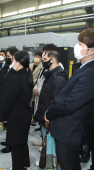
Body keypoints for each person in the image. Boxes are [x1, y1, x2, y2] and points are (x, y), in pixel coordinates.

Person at [44, 28, 94, 170]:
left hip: (70, 131)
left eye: (80, 44)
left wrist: (50, 112)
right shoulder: (84, 67)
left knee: (69, 165)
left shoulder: (91, 72)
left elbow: (71, 102)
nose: (76, 46)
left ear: (91, 50)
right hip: (66, 129)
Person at [34, 51, 68, 167]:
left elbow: (55, 100)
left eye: (44, 60)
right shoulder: (50, 75)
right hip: (45, 113)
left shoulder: (58, 78)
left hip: (49, 116)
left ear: (52, 60)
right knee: (46, 141)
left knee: (50, 143)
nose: (43, 62)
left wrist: (48, 115)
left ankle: (50, 165)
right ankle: (47, 163)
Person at [1, 51, 33, 170]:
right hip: (25, 114)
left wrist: (4, 117)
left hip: (16, 116)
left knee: (15, 143)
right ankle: (24, 164)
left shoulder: (17, 78)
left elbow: (8, 100)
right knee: (22, 142)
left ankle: (17, 167)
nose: (12, 62)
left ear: (19, 62)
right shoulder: (26, 75)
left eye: (13, 60)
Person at [0, 47, 19, 154]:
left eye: (9, 56)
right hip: (5, 97)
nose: (7, 58)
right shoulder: (9, 67)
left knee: (11, 125)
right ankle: (8, 141)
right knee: (7, 123)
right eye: (7, 56)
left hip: (10, 101)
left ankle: (11, 145)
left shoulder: (17, 70)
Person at [30, 52, 43, 127]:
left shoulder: (42, 67)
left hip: (36, 87)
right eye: (35, 56)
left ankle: (35, 119)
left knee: (35, 104)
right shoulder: (30, 65)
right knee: (30, 104)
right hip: (28, 87)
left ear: (41, 58)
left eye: (38, 56)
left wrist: (31, 81)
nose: (36, 58)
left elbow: (40, 78)